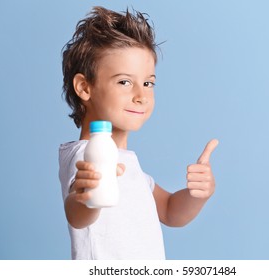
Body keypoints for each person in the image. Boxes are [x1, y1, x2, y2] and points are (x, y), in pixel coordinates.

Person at [59, 6, 218, 260]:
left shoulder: (129, 165)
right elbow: (77, 216)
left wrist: (196, 195)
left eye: (148, 83)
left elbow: (169, 211)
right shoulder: (85, 156)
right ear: (84, 87)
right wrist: (86, 196)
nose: (141, 96)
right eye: (124, 81)